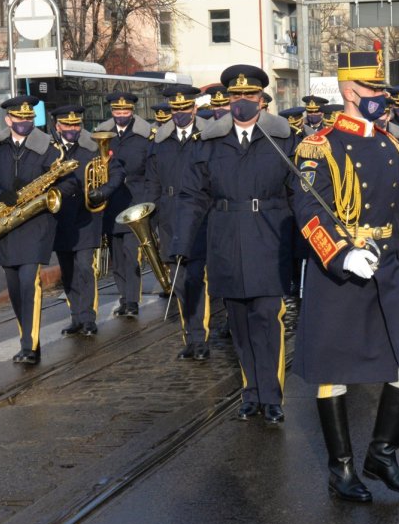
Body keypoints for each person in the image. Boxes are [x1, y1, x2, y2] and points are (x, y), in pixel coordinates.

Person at [292, 50, 399, 503]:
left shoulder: (390, 144)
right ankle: (342, 468)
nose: (381, 98)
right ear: (350, 92)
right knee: (335, 373)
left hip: (387, 263)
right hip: (343, 271)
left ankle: (382, 454)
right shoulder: (320, 145)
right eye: (374, 91)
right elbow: (309, 212)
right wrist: (341, 255)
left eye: (382, 92)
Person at [171, 65, 298, 424]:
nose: (242, 103)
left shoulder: (284, 139)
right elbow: (191, 196)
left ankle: (272, 397)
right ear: (227, 101)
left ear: (262, 100)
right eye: (235, 97)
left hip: (270, 238)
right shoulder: (209, 144)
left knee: (267, 319)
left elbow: (299, 192)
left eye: (250, 97)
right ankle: (251, 393)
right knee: (239, 324)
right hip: (226, 240)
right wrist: (181, 240)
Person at [0, 95, 77, 364]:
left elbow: (69, 183)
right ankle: (28, 339)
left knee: (29, 282)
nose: (25, 123)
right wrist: (0, 195)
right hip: (4, 227)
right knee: (14, 289)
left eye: (29, 118)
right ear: (8, 120)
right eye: (20, 119)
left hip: (36, 224)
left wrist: (48, 196)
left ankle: (29, 346)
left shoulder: (49, 147)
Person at [145, 84, 211, 359]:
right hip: (170, 215)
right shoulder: (159, 142)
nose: (180, 114)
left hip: (200, 216)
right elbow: (152, 182)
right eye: (175, 110)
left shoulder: (207, 137)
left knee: (197, 277)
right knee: (180, 281)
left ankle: (201, 338)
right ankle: (191, 338)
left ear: (195, 108)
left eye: (185, 109)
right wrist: (151, 216)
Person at [51, 105, 123, 338]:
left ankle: (89, 317)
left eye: (76, 124)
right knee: (68, 271)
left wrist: (103, 192)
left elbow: (117, 173)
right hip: (60, 219)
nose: (73, 129)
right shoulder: (50, 150)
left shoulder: (92, 147)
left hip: (86, 218)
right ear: (57, 126)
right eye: (68, 125)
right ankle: (76, 317)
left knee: (84, 267)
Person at [96, 92, 154, 318]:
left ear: (132, 111)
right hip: (111, 202)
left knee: (132, 254)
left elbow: (151, 170)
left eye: (125, 111)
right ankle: (123, 297)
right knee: (117, 255)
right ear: (112, 111)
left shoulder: (144, 135)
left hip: (135, 199)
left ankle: (132, 300)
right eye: (117, 111)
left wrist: (149, 201)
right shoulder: (103, 134)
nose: (121, 115)